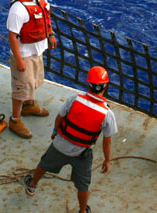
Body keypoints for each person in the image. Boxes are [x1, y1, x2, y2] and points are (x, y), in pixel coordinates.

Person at [23, 66, 117, 213]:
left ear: (89, 84)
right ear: (105, 86)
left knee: (44, 163)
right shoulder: (107, 113)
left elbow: (59, 117)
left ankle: (32, 185)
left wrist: (55, 132)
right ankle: (82, 211)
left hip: (60, 145)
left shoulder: (75, 99)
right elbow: (107, 141)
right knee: (83, 185)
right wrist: (107, 160)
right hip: (82, 154)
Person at [7, 0, 57, 139]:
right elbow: (12, 36)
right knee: (21, 88)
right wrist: (19, 60)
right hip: (24, 53)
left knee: (33, 81)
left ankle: (29, 106)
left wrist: (50, 34)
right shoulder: (17, 9)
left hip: (37, 50)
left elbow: (46, 17)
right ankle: (15, 119)